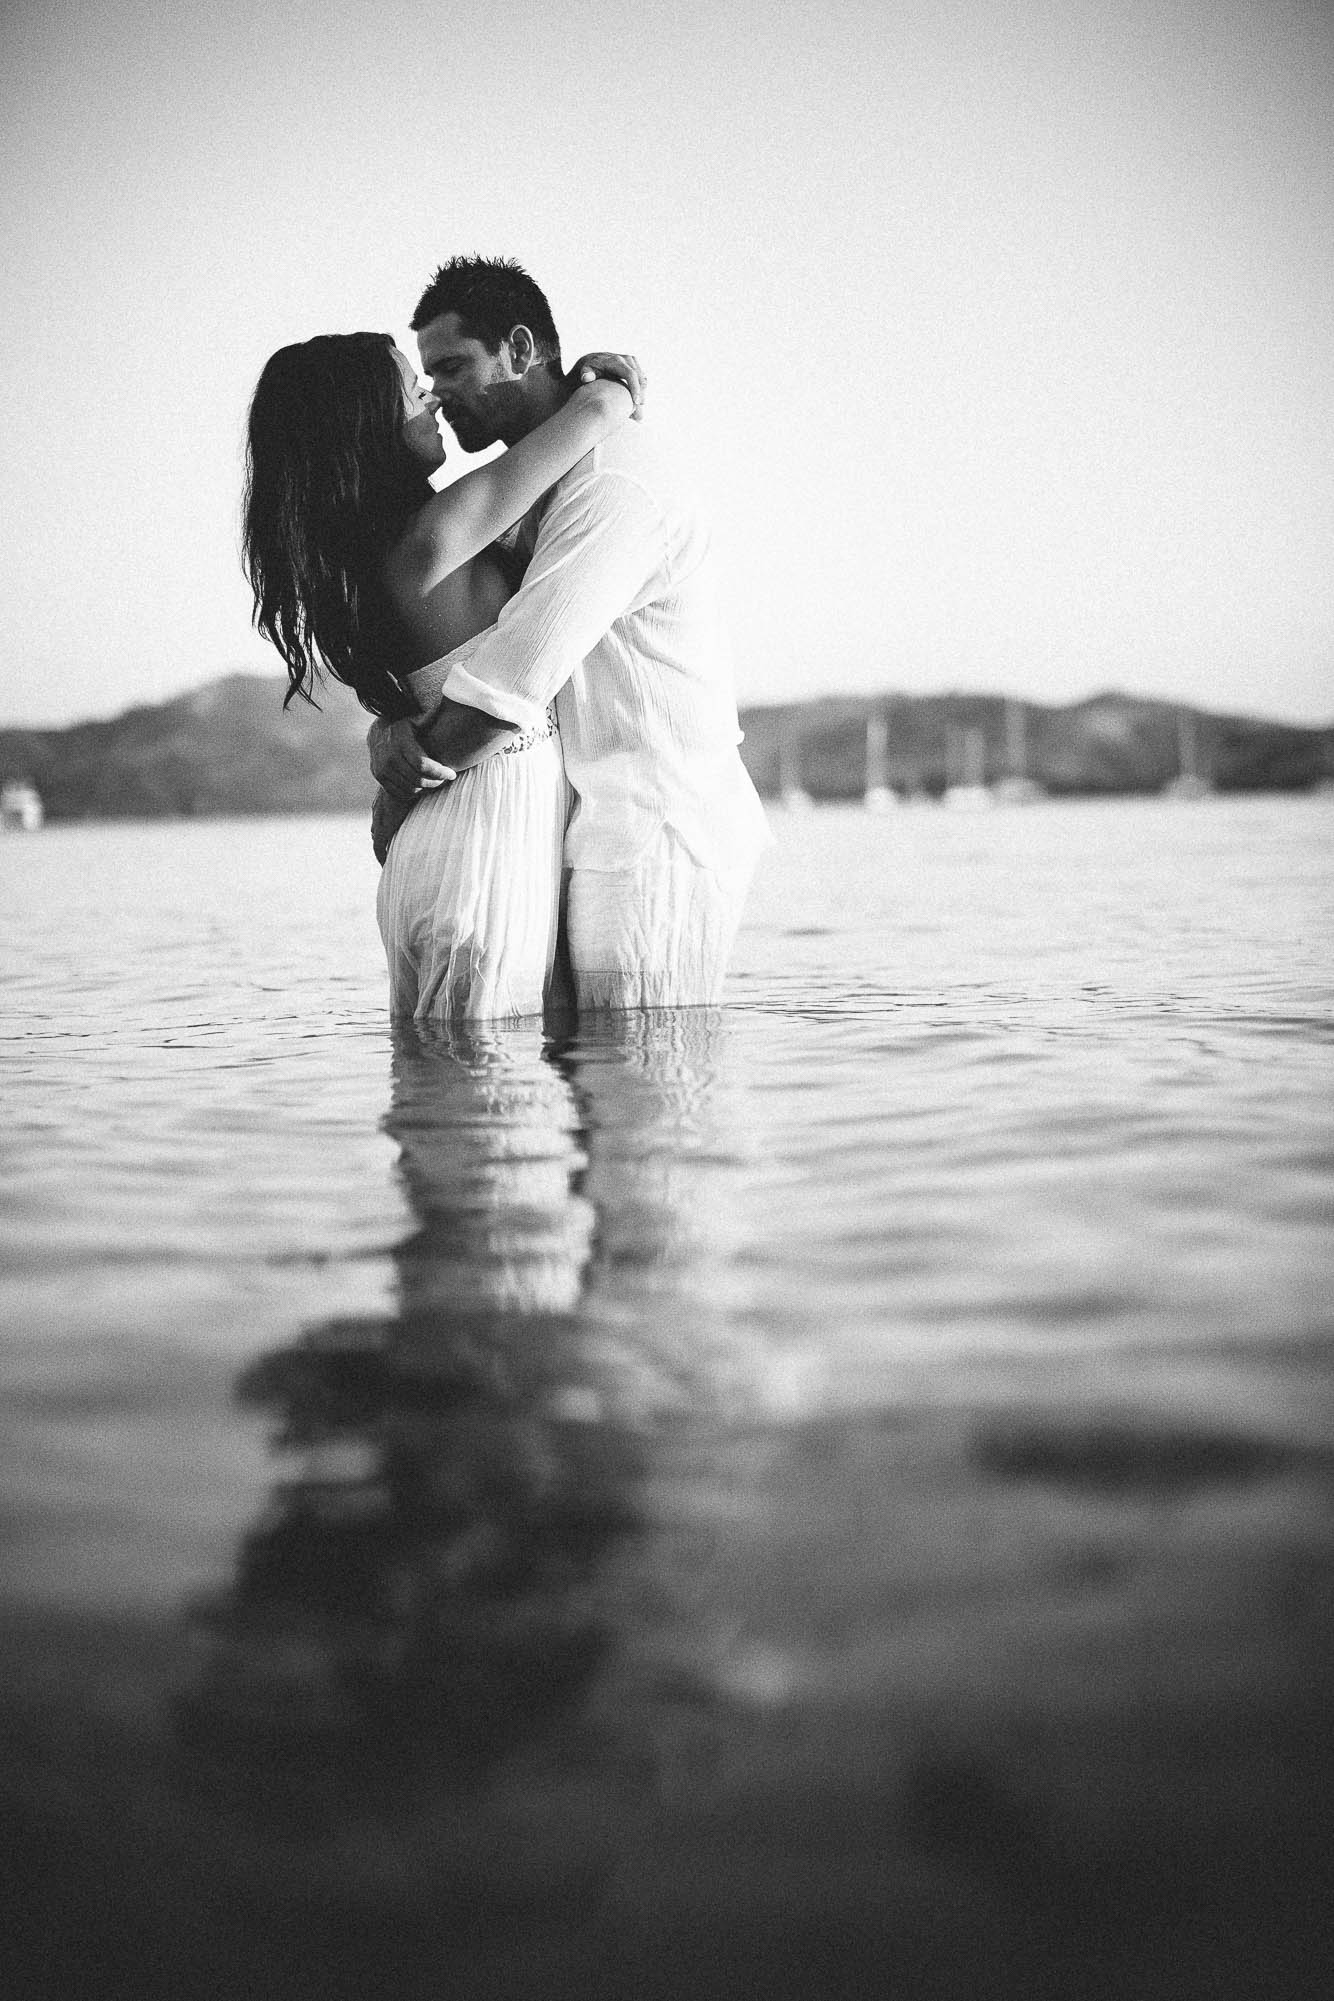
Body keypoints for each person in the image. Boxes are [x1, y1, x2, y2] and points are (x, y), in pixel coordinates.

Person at [369, 257, 771, 1012]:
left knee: (647, 1111)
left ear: (519, 350)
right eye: (427, 373)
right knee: (592, 1108)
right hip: (588, 831)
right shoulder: (543, 477)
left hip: (656, 836)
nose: (437, 393)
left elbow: (508, 687)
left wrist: (396, 789)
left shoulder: (611, 479)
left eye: (454, 366)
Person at [241, 330, 644, 1018]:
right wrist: (608, 377)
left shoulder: (363, 571)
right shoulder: (442, 530)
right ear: (366, 426)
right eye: (409, 386)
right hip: (483, 851)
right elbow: (598, 412)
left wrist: (389, 738)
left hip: (437, 851)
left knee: (449, 1110)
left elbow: (428, 689)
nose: (429, 396)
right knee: (493, 1114)